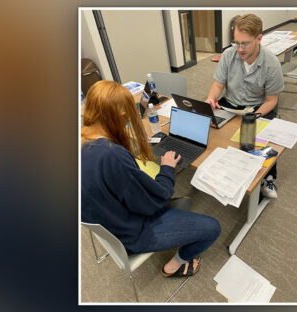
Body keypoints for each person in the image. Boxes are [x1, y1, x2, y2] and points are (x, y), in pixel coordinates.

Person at [81, 80, 221, 277]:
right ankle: (173, 267)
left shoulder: (82, 141)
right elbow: (155, 201)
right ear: (121, 115)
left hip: (109, 221)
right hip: (131, 233)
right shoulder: (112, 156)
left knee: (178, 201)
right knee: (213, 228)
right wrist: (167, 168)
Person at [205, 14, 284, 199]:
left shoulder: (271, 64)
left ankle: (268, 178)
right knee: (211, 128)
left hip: (258, 108)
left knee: (257, 141)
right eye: (236, 42)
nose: (240, 49)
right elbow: (218, 85)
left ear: (259, 38)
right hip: (230, 103)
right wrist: (211, 97)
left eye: (245, 43)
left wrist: (253, 116)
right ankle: (221, 169)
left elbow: (271, 100)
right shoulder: (228, 55)